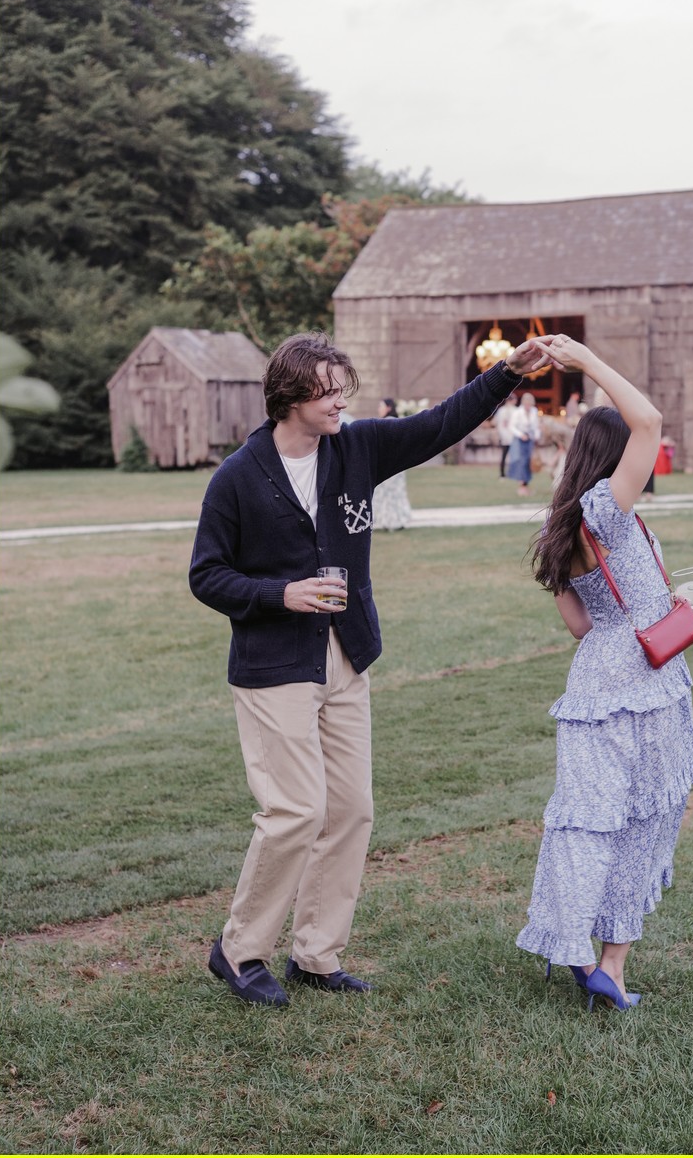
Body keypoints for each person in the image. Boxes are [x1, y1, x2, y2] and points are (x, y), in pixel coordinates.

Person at [190, 330, 552, 1007]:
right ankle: (238, 951)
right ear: (288, 397)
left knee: (352, 810)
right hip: (274, 664)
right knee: (295, 809)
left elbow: (440, 422)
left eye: (341, 390)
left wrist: (508, 373)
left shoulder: (354, 449)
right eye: (326, 392)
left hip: (345, 654)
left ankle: (316, 954)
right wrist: (280, 594)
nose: (338, 403)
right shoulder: (237, 478)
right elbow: (206, 576)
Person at [516, 333, 693, 1012]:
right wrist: (585, 362)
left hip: (592, 681)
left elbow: (579, 626)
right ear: (616, 451)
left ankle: (571, 944)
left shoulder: (563, 525)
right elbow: (648, 420)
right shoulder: (610, 512)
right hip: (645, 683)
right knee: (642, 818)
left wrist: (665, 602)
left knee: (587, 818)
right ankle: (611, 967)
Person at [371, 398, 412, 530]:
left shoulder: (387, 423)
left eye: (381, 406)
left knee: (386, 494)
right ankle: (397, 519)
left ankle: (388, 521)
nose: (379, 409)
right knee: (395, 493)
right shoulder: (398, 422)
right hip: (397, 463)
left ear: (388, 408)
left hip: (388, 463)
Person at [506, 391, 541, 495]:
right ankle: (521, 487)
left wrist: (536, 436)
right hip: (519, 441)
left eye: (530, 404)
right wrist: (521, 434)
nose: (528, 406)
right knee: (520, 462)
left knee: (528, 463)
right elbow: (511, 426)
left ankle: (526, 485)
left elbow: (536, 426)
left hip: (530, 440)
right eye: (527, 404)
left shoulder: (534, 411)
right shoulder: (517, 412)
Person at [493, 392, 518, 479]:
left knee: (505, 456)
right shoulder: (515, 410)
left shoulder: (501, 410)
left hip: (505, 436)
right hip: (511, 436)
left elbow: (495, 422)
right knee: (512, 456)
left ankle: (503, 474)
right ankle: (509, 473)